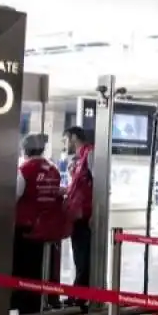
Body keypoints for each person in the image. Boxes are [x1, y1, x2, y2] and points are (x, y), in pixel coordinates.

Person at [13, 134, 64, 314]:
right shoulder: (53, 169)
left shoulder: (24, 170)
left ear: (25, 150)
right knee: (37, 269)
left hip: (25, 228)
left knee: (22, 268)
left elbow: (13, 197)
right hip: (47, 226)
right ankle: (36, 304)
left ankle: (22, 304)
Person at [63, 126, 94, 297]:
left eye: (66, 139)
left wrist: (96, 213)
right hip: (78, 215)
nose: (65, 143)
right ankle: (79, 293)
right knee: (79, 255)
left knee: (83, 256)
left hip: (86, 216)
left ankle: (81, 295)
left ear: (74, 137)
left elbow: (100, 185)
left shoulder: (90, 155)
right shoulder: (79, 159)